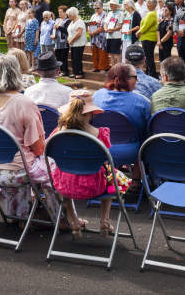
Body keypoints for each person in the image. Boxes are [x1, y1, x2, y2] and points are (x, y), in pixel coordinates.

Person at [0, 55, 58, 220]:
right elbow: (39, 149)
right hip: (17, 172)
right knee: (54, 165)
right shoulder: (24, 103)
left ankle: (18, 214)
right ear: (16, 73)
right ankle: (61, 217)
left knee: (23, 161)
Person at [50, 90, 128, 238]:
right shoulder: (101, 134)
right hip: (95, 186)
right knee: (111, 173)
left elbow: (48, 152)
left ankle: (73, 221)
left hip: (63, 185)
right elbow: (106, 161)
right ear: (90, 113)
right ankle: (104, 220)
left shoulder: (58, 133)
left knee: (59, 173)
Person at [92, 63, 152, 142]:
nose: (138, 80)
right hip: (131, 150)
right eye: (135, 77)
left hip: (100, 146)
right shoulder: (141, 101)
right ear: (124, 79)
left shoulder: (97, 95)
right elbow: (149, 128)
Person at [138, 0, 159, 78]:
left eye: (149, 3)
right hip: (148, 37)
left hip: (148, 38)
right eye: (147, 3)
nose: (147, 4)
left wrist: (139, 32)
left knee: (149, 57)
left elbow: (146, 26)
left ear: (153, 5)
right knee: (148, 57)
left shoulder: (151, 14)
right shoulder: (151, 13)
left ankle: (151, 73)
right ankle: (149, 72)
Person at [66, 6, 87, 80]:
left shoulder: (79, 22)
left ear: (74, 14)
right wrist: (69, 39)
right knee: (73, 58)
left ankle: (79, 72)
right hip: (73, 44)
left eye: (69, 14)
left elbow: (79, 33)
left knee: (77, 58)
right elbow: (69, 32)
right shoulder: (71, 22)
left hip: (79, 43)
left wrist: (72, 40)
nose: (68, 16)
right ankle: (75, 72)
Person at [87, 0, 108, 73]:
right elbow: (89, 25)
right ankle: (96, 66)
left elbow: (103, 27)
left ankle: (103, 67)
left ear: (102, 7)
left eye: (98, 8)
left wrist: (94, 32)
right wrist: (89, 31)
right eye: (95, 8)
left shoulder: (105, 15)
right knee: (94, 52)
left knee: (102, 52)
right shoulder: (93, 16)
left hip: (101, 37)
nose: (96, 10)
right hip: (93, 38)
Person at [103, 0, 124, 68]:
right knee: (111, 53)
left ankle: (118, 68)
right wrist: (106, 29)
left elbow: (121, 25)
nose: (110, 5)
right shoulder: (109, 13)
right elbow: (106, 23)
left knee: (117, 53)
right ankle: (113, 68)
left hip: (117, 35)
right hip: (109, 35)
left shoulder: (121, 13)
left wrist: (113, 29)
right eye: (110, 4)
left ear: (116, 5)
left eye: (112, 4)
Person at [52, 4, 71, 76]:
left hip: (64, 42)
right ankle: (59, 70)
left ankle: (64, 71)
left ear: (65, 12)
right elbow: (53, 29)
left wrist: (59, 27)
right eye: (59, 12)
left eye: (61, 12)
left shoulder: (68, 21)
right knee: (58, 57)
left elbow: (67, 30)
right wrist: (52, 34)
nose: (59, 13)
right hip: (57, 42)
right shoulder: (57, 20)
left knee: (64, 57)